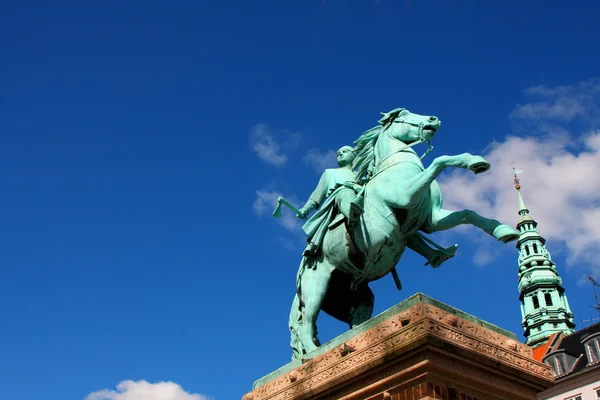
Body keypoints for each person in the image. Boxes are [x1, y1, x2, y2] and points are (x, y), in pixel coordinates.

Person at [297, 145, 457, 268]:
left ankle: (432, 255)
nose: (340, 154)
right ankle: (352, 216)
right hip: (341, 198)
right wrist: (306, 209)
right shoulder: (330, 173)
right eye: (338, 153)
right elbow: (316, 196)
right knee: (345, 192)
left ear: (354, 156)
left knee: (398, 225)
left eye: (345, 151)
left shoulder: (361, 175)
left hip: (363, 201)